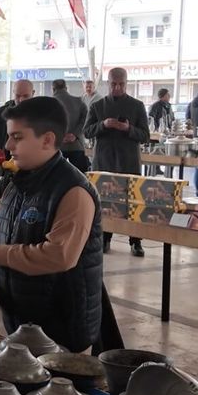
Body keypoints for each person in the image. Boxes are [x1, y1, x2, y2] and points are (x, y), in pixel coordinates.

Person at [0, 97, 102, 352]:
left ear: (47, 139)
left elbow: (59, 256)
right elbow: (4, 235)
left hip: (61, 333)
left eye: (18, 137)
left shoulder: (73, 191)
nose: (8, 145)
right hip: (21, 323)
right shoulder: (17, 183)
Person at [83, 67, 149, 257]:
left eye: (121, 84)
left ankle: (135, 241)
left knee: (133, 202)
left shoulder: (137, 106)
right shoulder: (98, 106)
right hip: (104, 160)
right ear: (107, 83)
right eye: (113, 84)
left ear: (127, 83)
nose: (117, 88)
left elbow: (145, 136)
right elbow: (87, 131)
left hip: (129, 161)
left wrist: (127, 128)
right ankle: (105, 237)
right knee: (103, 202)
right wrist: (103, 125)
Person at [0, 79, 35, 153]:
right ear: (13, 93)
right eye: (18, 96)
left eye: (26, 96)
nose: (21, 100)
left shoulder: (41, 116)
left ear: (33, 93)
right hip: (4, 161)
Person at [52, 78, 89, 172]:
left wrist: (60, 136)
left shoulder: (49, 103)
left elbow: (46, 123)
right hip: (76, 145)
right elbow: (86, 119)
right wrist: (74, 134)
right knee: (80, 177)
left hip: (56, 146)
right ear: (66, 88)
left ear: (53, 89)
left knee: (56, 177)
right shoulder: (79, 101)